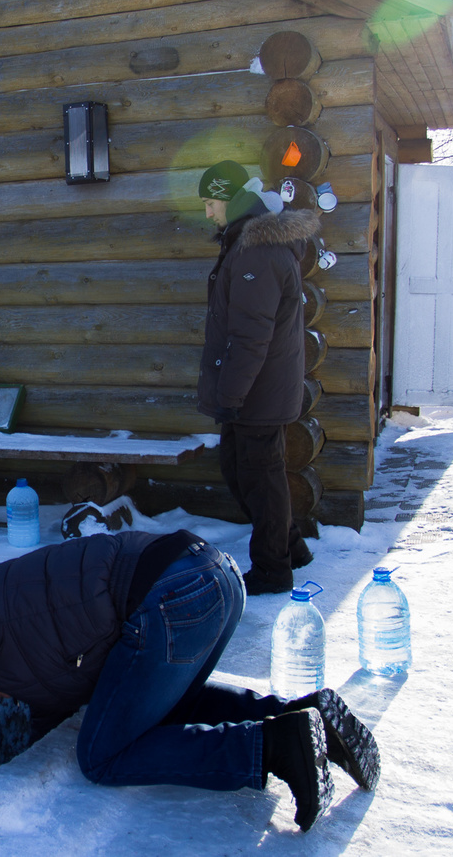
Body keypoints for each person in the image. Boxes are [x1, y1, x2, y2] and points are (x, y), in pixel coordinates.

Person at [0, 530, 380, 832]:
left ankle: (272, 747)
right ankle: (302, 717)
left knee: (102, 756)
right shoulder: (23, 657)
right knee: (157, 708)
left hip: (171, 591)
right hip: (211, 575)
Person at [196, 160, 322, 595]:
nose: (208, 214)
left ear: (231, 200)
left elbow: (250, 335)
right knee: (241, 471)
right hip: (256, 389)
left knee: (259, 479)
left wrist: (230, 394)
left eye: (211, 203)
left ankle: (272, 570)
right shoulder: (247, 245)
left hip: (259, 392)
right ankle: (290, 547)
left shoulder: (257, 253)